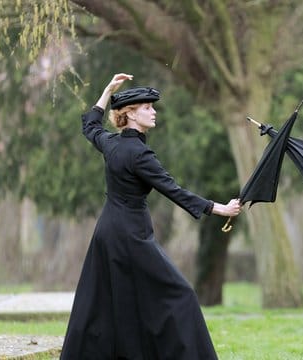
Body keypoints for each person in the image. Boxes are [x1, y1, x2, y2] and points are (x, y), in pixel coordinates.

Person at [61, 73, 242, 359]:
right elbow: (174, 190)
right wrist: (220, 208)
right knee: (181, 294)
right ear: (130, 114)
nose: (154, 111)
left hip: (107, 232)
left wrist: (107, 90)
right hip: (131, 235)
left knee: (110, 303)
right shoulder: (139, 155)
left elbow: (90, 125)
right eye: (147, 107)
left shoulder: (112, 144)